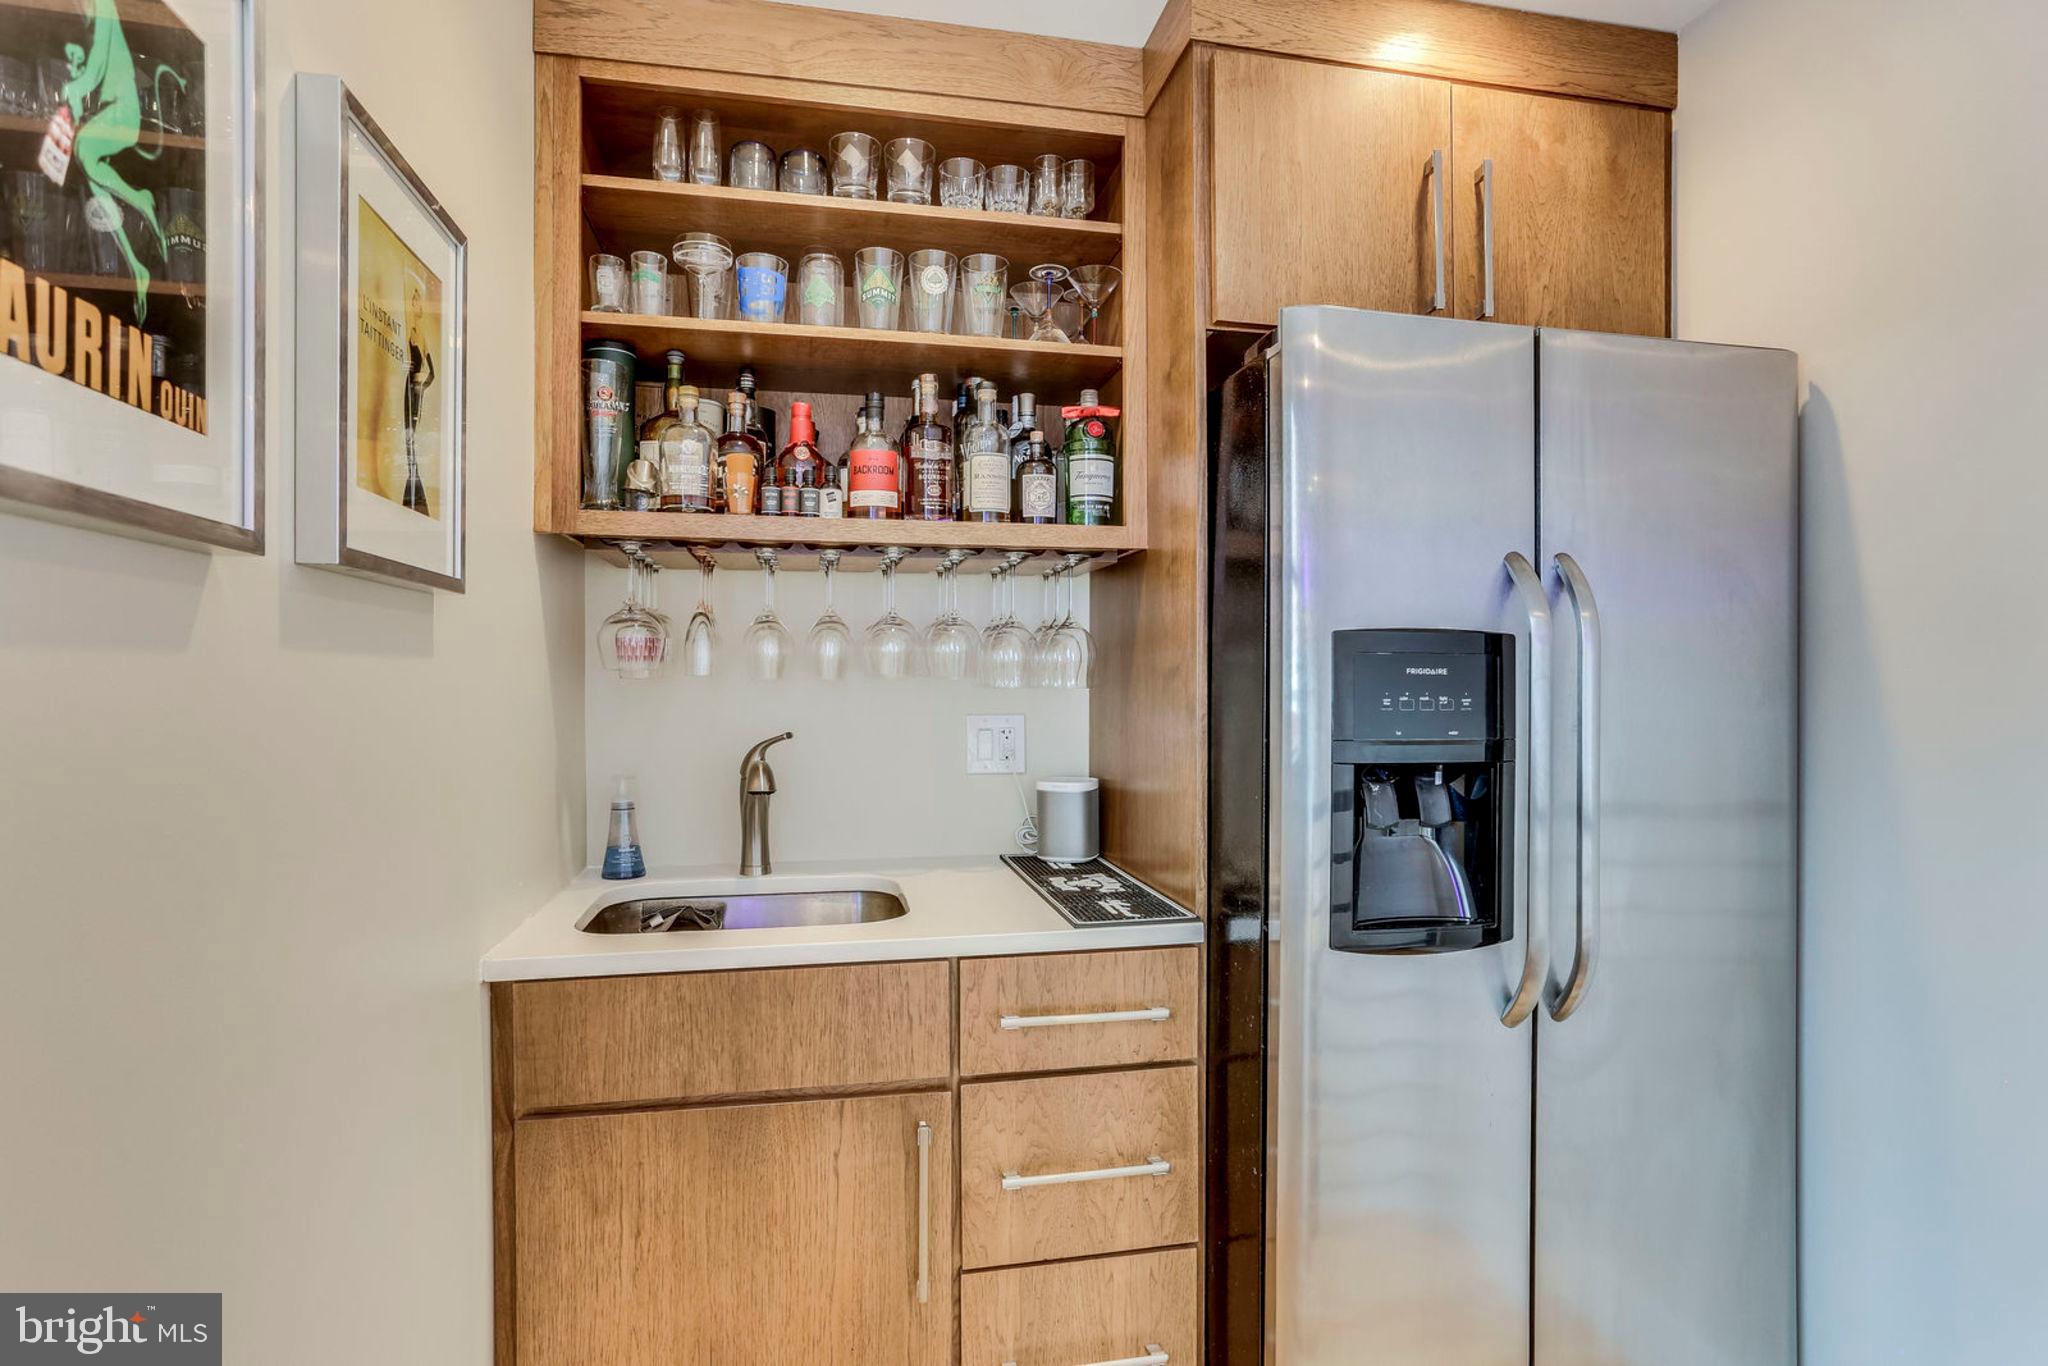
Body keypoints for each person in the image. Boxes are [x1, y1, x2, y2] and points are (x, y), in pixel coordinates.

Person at [59, 0, 181, 322]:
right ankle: (137, 267)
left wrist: (72, 87)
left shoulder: (106, 7)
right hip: (111, 113)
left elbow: (98, 63)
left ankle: (141, 200)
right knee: (93, 178)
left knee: (84, 150)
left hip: (125, 113)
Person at [400, 274, 437, 515]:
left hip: (414, 390)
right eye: (413, 300)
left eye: (417, 301)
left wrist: (421, 387)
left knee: (412, 436)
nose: (416, 304)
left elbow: (432, 373)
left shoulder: (421, 336)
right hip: (406, 387)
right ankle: (411, 488)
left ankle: (415, 487)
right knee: (407, 436)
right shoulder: (408, 329)